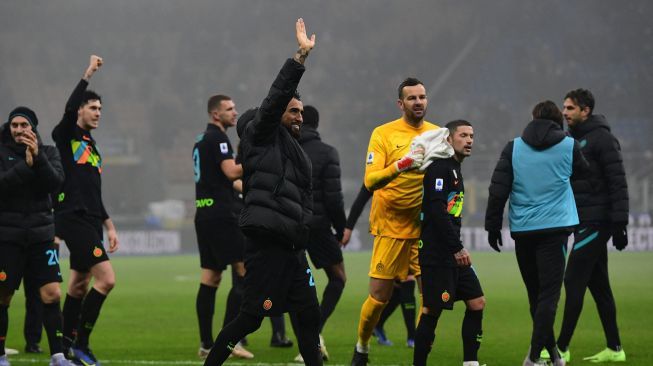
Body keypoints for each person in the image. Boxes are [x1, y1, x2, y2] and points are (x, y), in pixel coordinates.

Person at [201, 18, 322, 366]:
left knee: (308, 316)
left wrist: (305, 230)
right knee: (251, 316)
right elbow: (275, 100)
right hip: (266, 242)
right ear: (274, 115)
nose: (300, 117)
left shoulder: (295, 151)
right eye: (293, 111)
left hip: (292, 245)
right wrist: (299, 57)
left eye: (301, 111)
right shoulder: (261, 135)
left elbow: (303, 199)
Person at [485, 101, 588, 366]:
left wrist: (493, 226)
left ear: (532, 118)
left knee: (536, 294)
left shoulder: (514, 147)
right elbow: (584, 175)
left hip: (523, 230)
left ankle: (553, 357)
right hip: (555, 230)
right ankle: (532, 358)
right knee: (549, 297)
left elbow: (498, 190)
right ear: (558, 121)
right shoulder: (569, 145)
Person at [351, 77, 439, 366]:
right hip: (390, 227)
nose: (418, 102)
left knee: (430, 300)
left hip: (423, 228)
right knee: (378, 298)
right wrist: (402, 164)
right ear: (400, 104)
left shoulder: (438, 135)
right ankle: (362, 347)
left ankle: (420, 358)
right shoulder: (383, 134)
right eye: (412, 98)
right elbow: (370, 180)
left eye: (422, 97)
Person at [52, 55, 119, 366]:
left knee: (79, 285)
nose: (98, 113)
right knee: (106, 280)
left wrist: (109, 225)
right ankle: (81, 344)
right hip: (73, 218)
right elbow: (67, 110)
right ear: (80, 109)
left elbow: (94, 190)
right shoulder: (66, 136)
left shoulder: (91, 145)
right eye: (93, 107)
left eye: (100, 109)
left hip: (91, 220)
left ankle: (65, 345)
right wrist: (88, 74)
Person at [552, 89, 628, 363]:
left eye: (570, 108)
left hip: (597, 221)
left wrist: (620, 223)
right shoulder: (573, 139)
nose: (565, 112)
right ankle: (615, 349)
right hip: (583, 220)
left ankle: (561, 348)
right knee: (600, 287)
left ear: (586, 111)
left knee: (572, 280)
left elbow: (617, 181)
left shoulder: (603, 139)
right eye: (564, 107)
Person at [0, 107, 73, 366]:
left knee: (52, 294)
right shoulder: (1, 152)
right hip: (8, 238)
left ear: (33, 127)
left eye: (24, 125)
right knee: (3, 296)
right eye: (14, 125)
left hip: (42, 237)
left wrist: (37, 159)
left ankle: (58, 357)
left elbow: (56, 183)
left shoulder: (49, 152)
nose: (19, 130)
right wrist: (26, 166)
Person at [413, 120, 485, 366]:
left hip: (451, 251)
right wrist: (457, 247)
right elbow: (436, 210)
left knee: (477, 302)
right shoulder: (439, 169)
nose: (469, 140)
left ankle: (470, 362)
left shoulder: (455, 168)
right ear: (448, 139)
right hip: (437, 252)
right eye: (463, 135)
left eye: (471, 135)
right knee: (432, 310)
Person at [193, 95, 254, 359]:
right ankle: (228, 341)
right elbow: (231, 173)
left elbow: (224, 180)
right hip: (222, 215)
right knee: (243, 270)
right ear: (215, 114)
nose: (235, 112)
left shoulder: (201, 139)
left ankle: (206, 343)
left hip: (204, 213)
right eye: (229, 109)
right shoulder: (218, 138)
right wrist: (255, 159)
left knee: (210, 277)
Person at [295, 105, 347, 362]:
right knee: (338, 278)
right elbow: (334, 198)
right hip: (317, 226)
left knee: (290, 284)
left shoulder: (286, 149)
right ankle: (313, 336)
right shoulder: (327, 153)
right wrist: (341, 227)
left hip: (288, 225)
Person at [342, 184, 417, 348]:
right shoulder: (382, 172)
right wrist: (348, 228)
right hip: (389, 235)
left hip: (412, 231)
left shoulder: (415, 171)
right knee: (397, 286)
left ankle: (386, 328)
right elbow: (361, 199)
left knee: (401, 286)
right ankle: (411, 337)